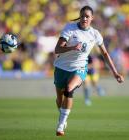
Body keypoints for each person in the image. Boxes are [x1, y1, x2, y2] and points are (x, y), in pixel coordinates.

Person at [53, 5, 124, 136]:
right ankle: (63, 115)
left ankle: (61, 124)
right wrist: (72, 48)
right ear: (79, 16)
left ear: (92, 18)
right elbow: (57, 49)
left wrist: (115, 73)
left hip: (79, 68)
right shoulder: (70, 28)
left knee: (69, 89)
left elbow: (105, 54)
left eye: (87, 16)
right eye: (82, 16)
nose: (84, 18)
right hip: (61, 67)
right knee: (59, 100)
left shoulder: (95, 34)